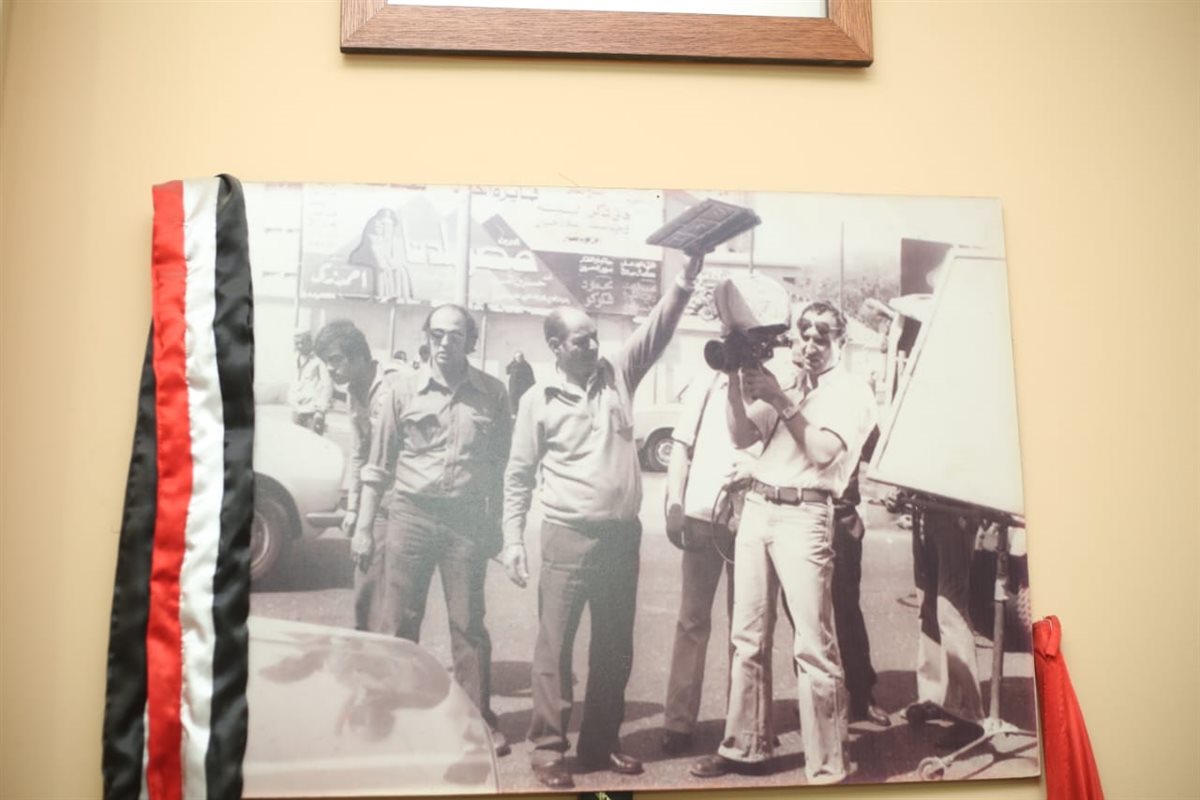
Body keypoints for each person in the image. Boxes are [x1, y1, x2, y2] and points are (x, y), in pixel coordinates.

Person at [501, 252, 707, 790]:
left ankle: (600, 742)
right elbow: (518, 475)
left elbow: (657, 329)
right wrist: (512, 540)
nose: (592, 347)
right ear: (555, 347)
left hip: (620, 537)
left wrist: (686, 279)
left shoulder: (618, 374)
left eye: (594, 338)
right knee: (555, 650)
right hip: (567, 537)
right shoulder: (536, 400)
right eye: (580, 342)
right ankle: (548, 750)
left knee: (615, 647)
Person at [690, 301, 876, 786]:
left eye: (821, 336)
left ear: (840, 342)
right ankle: (744, 745)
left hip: (805, 511)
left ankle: (828, 764)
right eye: (803, 333)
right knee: (747, 636)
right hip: (759, 506)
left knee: (813, 644)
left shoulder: (851, 391)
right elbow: (740, 435)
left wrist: (778, 398)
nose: (809, 343)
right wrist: (736, 382)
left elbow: (821, 452)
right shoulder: (790, 384)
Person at [350, 304, 513, 756]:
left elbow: (500, 468)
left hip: (465, 522)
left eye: (455, 336)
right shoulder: (401, 390)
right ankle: (392, 716)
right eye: (437, 335)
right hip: (411, 516)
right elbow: (377, 466)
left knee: (469, 624)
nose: (445, 343)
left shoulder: (493, 393)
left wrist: (498, 525)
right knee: (399, 620)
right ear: (427, 338)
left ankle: (477, 721)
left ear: (470, 341)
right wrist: (363, 527)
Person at [659, 367, 757, 756]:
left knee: (747, 625)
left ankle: (742, 723)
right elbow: (681, 446)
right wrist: (674, 503)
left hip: (754, 514)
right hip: (703, 513)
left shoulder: (773, 378)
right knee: (692, 620)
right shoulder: (707, 379)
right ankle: (678, 721)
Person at [312, 320, 401, 633]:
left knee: (396, 594)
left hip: (403, 498)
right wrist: (352, 507)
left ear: (359, 356)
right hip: (376, 499)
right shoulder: (353, 391)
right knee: (365, 581)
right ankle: (366, 649)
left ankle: (387, 652)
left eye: (335, 360)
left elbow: (386, 458)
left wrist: (364, 517)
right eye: (326, 362)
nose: (330, 369)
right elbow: (360, 453)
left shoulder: (394, 386)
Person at [904, 508, 987, 749]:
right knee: (928, 604)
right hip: (924, 509)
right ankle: (934, 698)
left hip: (954, 512)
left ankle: (969, 715)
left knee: (950, 611)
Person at [832, 428, 890, 727]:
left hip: (840, 517)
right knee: (803, 615)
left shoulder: (854, 403)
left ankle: (862, 694)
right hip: (799, 514)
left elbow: (880, 450)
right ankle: (817, 698)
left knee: (847, 610)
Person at [288, 329, 332, 435]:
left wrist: (320, 411)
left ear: (309, 342)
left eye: (302, 342)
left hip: (312, 413)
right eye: (297, 343)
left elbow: (327, 386)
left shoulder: (319, 362)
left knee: (313, 442)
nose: (299, 345)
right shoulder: (294, 361)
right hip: (296, 410)